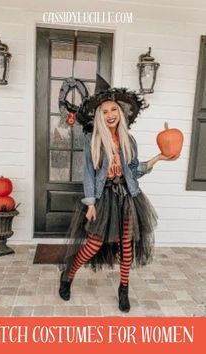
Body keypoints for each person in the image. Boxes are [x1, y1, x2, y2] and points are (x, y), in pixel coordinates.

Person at [58, 75, 180, 312]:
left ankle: (123, 289)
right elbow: (88, 174)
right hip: (103, 198)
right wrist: (90, 203)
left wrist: (158, 158)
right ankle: (68, 275)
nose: (110, 114)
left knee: (127, 247)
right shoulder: (92, 140)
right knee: (94, 244)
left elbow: (133, 171)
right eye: (105, 111)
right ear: (99, 116)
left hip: (128, 197)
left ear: (121, 112)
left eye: (114, 109)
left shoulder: (129, 140)